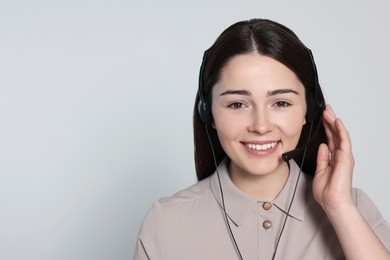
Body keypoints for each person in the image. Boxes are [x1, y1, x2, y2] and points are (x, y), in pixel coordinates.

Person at [133, 18, 390, 260]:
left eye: (280, 102)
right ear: (207, 111)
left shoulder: (353, 209)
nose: (261, 126)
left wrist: (339, 207)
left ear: (309, 110)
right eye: (237, 104)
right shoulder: (166, 221)